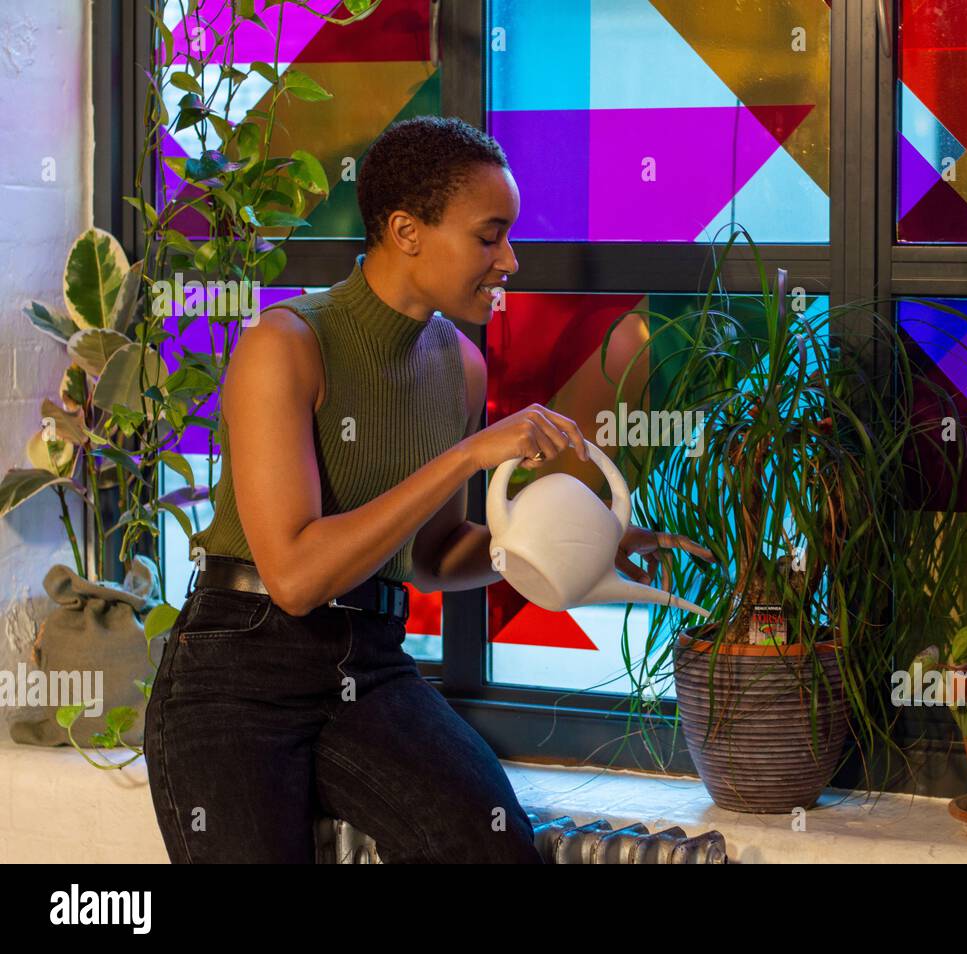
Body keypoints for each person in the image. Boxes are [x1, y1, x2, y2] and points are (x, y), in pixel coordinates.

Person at [144, 116, 711, 863]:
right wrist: (469, 456)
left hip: (369, 662)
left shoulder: (460, 366)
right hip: (238, 668)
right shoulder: (284, 345)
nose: (509, 258)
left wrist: (576, 548)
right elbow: (294, 577)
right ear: (407, 231)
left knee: (492, 848)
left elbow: (434, 557)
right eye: (489, 236)